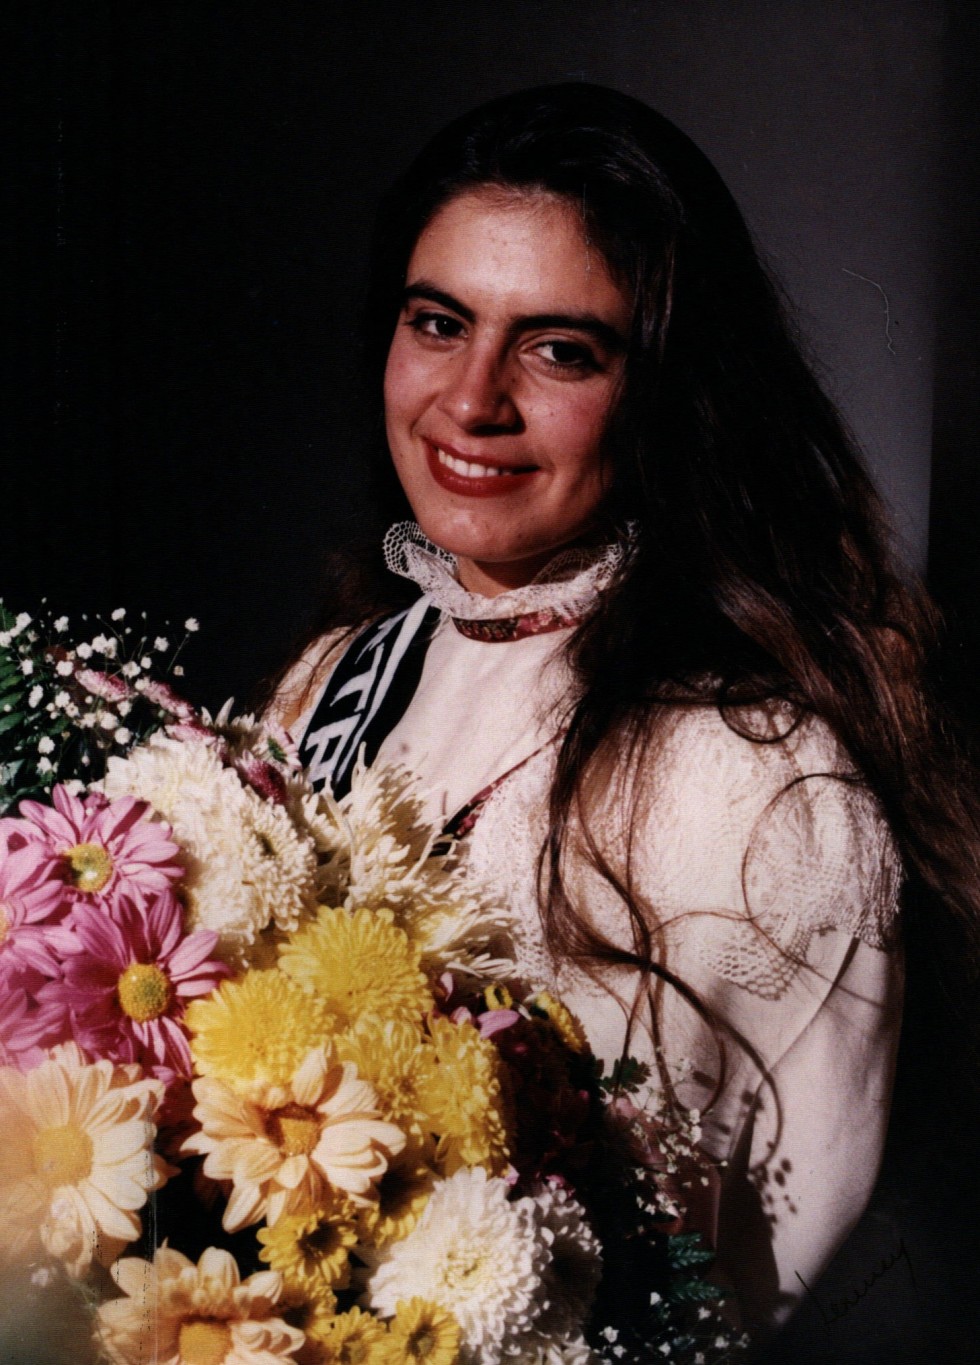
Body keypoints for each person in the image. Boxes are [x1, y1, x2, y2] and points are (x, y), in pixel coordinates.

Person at [268, 83, 980, 1344]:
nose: (471, 400)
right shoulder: (334, 677)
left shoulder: (748, 772)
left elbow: (715, 1286)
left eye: (559, 350)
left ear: (666, 393)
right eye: (438, 323)